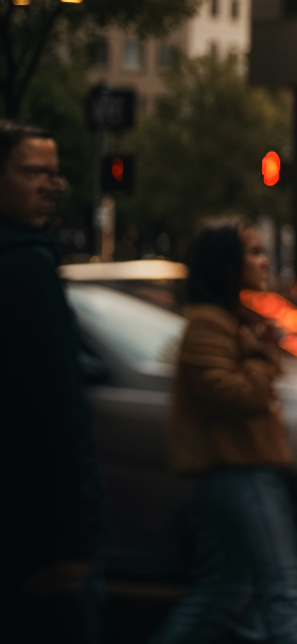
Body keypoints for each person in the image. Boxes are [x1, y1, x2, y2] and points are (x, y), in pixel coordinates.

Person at [151, 218, 297, 644]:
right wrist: (262, 356)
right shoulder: (209, 323)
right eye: (254, 252)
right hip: (240, 475)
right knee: (288, 592)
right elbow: (230, 395)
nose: (265, 261)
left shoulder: (232, 320)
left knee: (220, 597)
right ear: (226, 263)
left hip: (242, 475)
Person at [0, 120, 105, 643]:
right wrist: (75, 537)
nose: (50, 185)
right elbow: (59, 410)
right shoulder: (26, 267)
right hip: (37, 539)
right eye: (32, 172)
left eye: (55, 174)